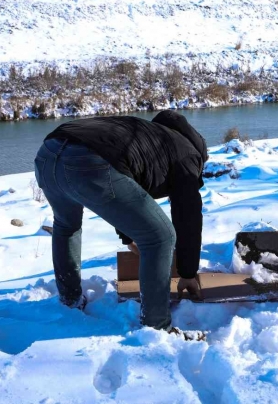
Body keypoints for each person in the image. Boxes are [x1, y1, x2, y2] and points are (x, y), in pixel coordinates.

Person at [33, 110, 207, 330]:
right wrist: (188, 273)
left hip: (48, 154)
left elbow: (127, 180)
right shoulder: (187, 155)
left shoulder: (146, 134)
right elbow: (187, 217)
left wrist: (129, 235)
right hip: (88, 162)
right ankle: (157, 326)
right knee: (161, 237)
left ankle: (70, 299)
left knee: (67, 227)